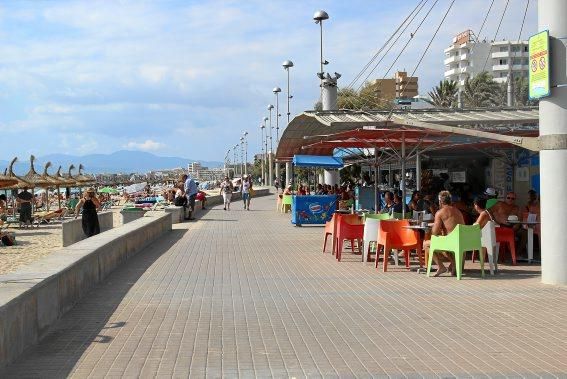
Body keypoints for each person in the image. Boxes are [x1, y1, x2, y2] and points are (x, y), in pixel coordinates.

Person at [424, 190, 465, 277]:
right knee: (443, 243)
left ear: (440, 201)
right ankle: (454, 264)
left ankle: (441, 266)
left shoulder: (440, 213)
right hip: (461, 241)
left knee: (426, 244)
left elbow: (434, 233)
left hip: (451, 242)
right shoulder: (458, 211)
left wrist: (435, 226)